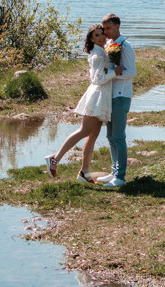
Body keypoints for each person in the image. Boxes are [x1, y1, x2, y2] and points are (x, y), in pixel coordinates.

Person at [45, 24, 116, 183]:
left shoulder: (102, 51)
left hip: (102, 96)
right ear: (91, 39)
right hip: (97, 96)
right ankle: (55, 158)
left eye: (102, 34)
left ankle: (84, 172)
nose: (101, 37)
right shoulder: (97, 54)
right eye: (96, 36)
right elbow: (96, 80)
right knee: (84, 131)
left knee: (93, 135)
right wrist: (114, 73)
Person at [96, 13, 134, 187]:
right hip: (110, 96)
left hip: (121, 95)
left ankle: (120, 177)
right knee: (110, 136)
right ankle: (114, 172)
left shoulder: (125, 47)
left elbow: (131, 73)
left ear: (118, 27)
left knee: (118, 137)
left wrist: (114, 75)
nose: (106, 32)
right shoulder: (110, 44)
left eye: (108, 28)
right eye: (104, 29)